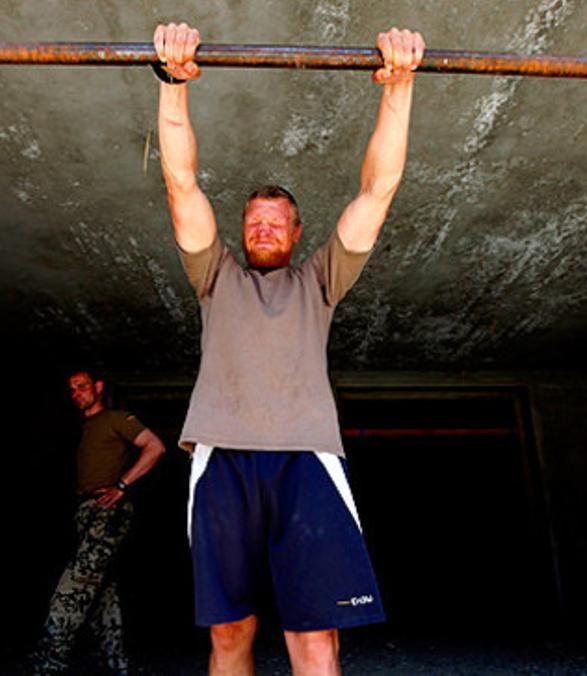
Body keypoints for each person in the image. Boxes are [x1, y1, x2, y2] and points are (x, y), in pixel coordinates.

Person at [153, 20, 424, 676]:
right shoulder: (215, 276)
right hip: (222, 459)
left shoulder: (320, 281)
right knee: (227, 634)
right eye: (252, 220)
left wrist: (400, 87)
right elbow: (182, 185)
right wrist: (173, 83)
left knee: (315, 640)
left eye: (276, 220)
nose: (263, 227)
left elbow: (376, 191)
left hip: (307, 462)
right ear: (240, 232)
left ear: (297, 232)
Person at [32, 369, 167, 674]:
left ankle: (47, 663)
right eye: (72, 390)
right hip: (87, 512)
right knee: (102, 590)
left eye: (82, 387)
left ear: (98, 386)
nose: (77, 393)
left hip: (108, 510)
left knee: (76, 581)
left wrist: (122, 485)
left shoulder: (116, 418)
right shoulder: (86, 428)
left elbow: (155, 447)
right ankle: (115, 664)